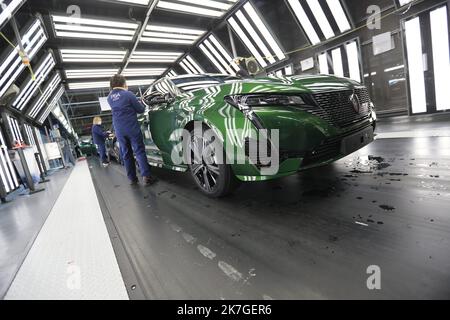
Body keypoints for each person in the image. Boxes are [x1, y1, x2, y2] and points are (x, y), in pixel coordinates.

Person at [107, 74, 156, 186]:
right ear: (124, 83)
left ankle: (132, 179)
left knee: (126, 153)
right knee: (139, 151)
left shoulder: (109, 98)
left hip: (119, 130)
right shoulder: (128, 94)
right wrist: (142, 103)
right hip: (131, 128)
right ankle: (146, 177)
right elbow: (140, 110)